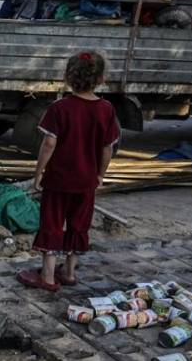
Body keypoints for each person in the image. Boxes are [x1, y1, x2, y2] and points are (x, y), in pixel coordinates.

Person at [18, 52, 118, 291]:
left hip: (58, 181)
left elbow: (49, 143)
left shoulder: (59, 108)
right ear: (102, 79)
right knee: (79, 225)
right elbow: (107, 148)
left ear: (67, 77)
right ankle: (70, 272)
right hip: (86, 182)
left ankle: (48, 276)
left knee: (52, 224)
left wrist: (39, 172)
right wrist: (100, 174)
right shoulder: (106, 109)